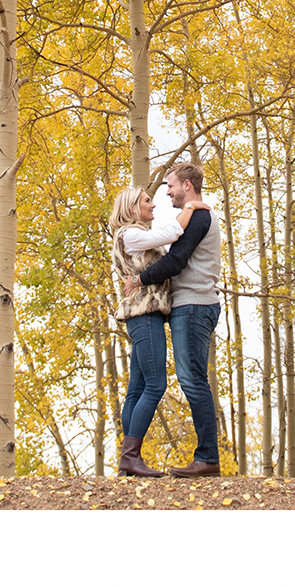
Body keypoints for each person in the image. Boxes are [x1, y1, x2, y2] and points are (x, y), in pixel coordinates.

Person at [124, 161, 223, 477]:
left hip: (195, 305)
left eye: (170, 185)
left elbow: (176, 261)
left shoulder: (201, 217)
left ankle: (207, 457)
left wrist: (140, 280)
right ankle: (131, 457)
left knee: (193, 380)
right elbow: (172, 243)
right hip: (187, 306)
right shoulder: (195, 214)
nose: (167, 192)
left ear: (187, 186)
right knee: (179, 380)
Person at [109, 183, 206, 478]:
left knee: (137, 388)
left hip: (143, 315)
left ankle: (128, 460)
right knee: (155, 385)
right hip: (144, 314)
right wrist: (191, 207)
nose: (153, 205)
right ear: (131, 208)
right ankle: (130, 457)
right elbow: (171, 233)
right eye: (147, 201)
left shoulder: (133, 236)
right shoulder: (131, 234)